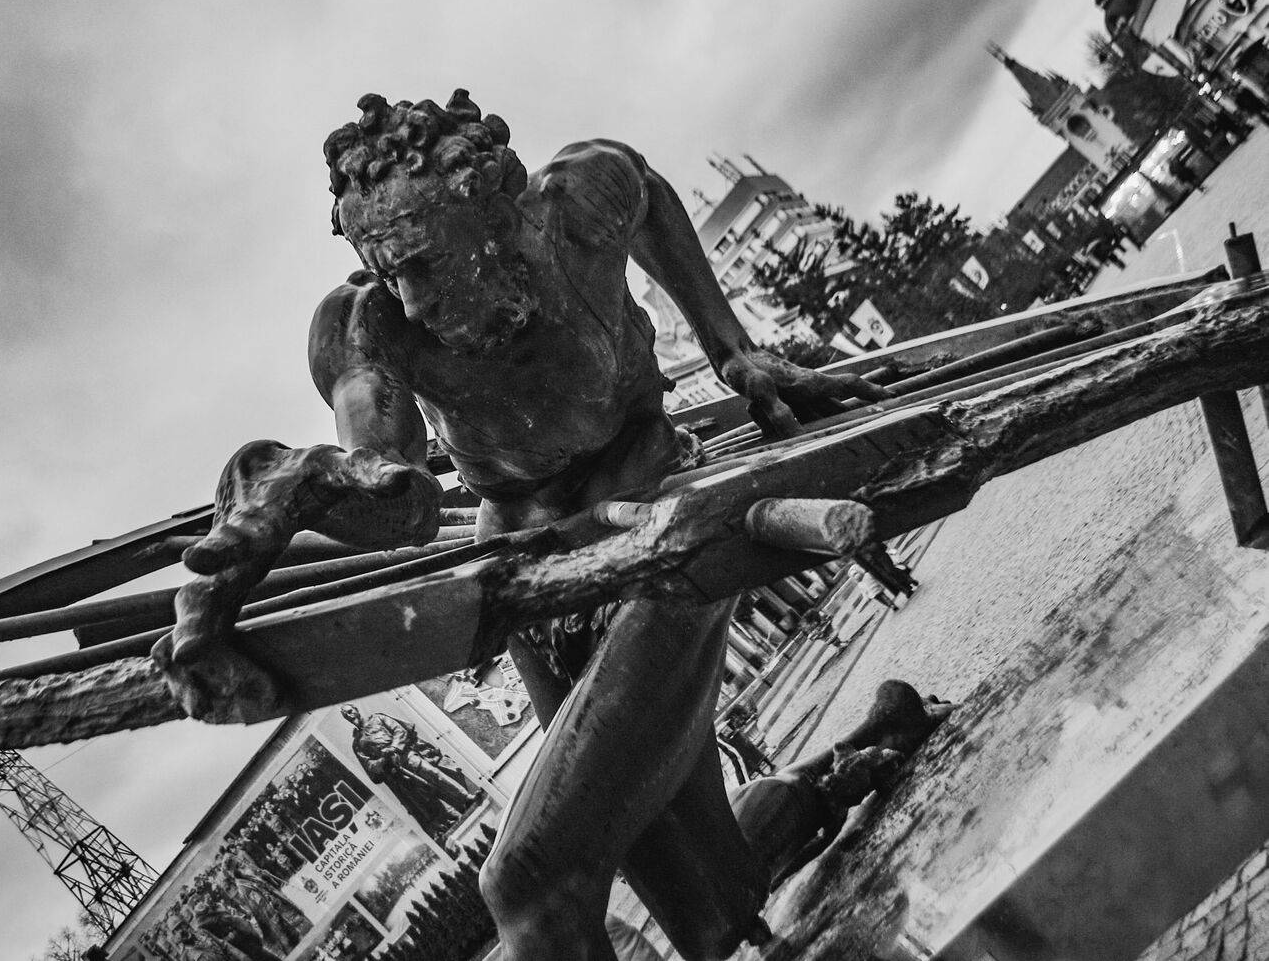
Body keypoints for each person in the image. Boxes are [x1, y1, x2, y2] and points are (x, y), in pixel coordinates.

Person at [152, 90, 945, 960]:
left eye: (424, 262)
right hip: (532, 579)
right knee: (706, 909)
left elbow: (651, 193)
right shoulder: (365, 325)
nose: (409, 299)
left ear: (493, 215)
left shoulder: (578, 208)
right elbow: (397, 493)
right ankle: (861, 752)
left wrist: (734, 350)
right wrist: (305, 489)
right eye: (387, 272)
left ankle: (850, 759)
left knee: (530, 881)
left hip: (660, 533)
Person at [342, 704, 478, 836]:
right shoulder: (357, 744)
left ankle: (465, 797)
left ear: (356, 710)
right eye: (346, 715)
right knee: (423, 795)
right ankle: (451, 817)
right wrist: (383, 760)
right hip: (394, 772)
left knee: (434, 774)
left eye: (350, 711)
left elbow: (399, 730)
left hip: (406, 756)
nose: (349, 715)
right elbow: (369, 765)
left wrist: (393, 748)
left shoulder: (378, 718)